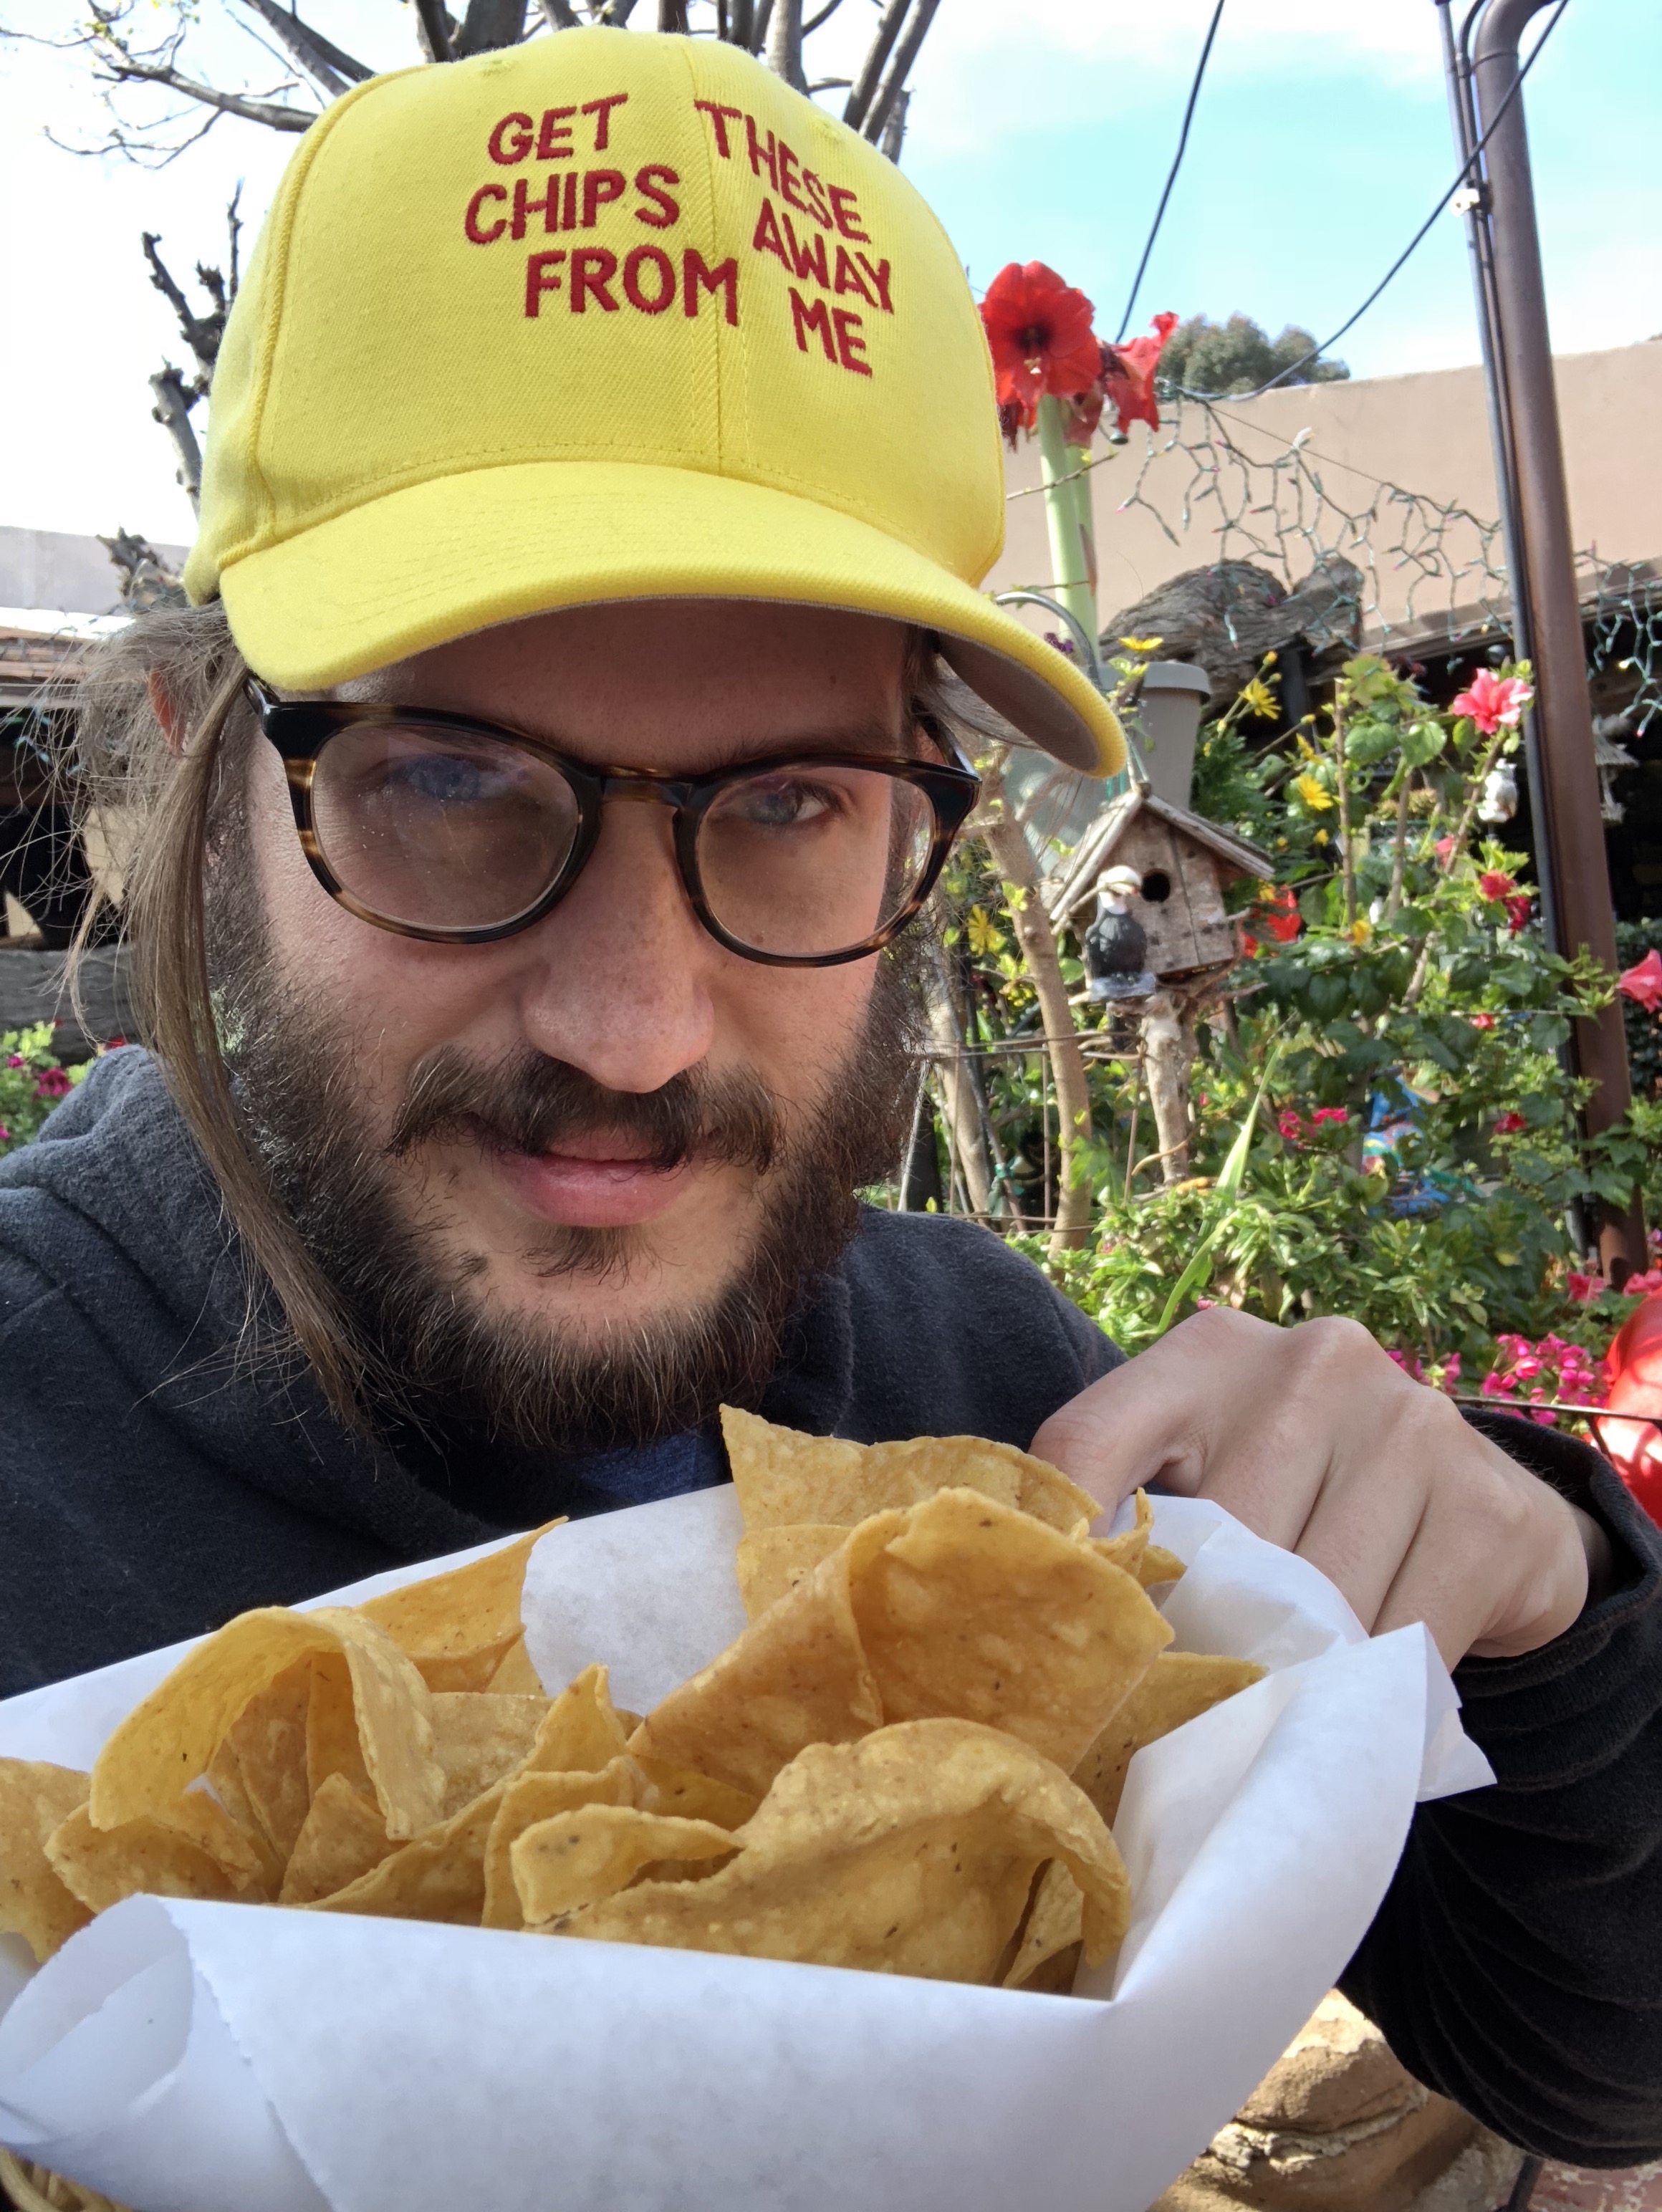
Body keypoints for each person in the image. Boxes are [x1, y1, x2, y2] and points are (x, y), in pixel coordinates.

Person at [0, 28, 1657, 2172]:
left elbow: (1594, 2062)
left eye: (792, 803)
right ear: (210, 773)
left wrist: (1544, 1619)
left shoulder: (1006, 1417)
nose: (629, 1023)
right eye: (449, 784)